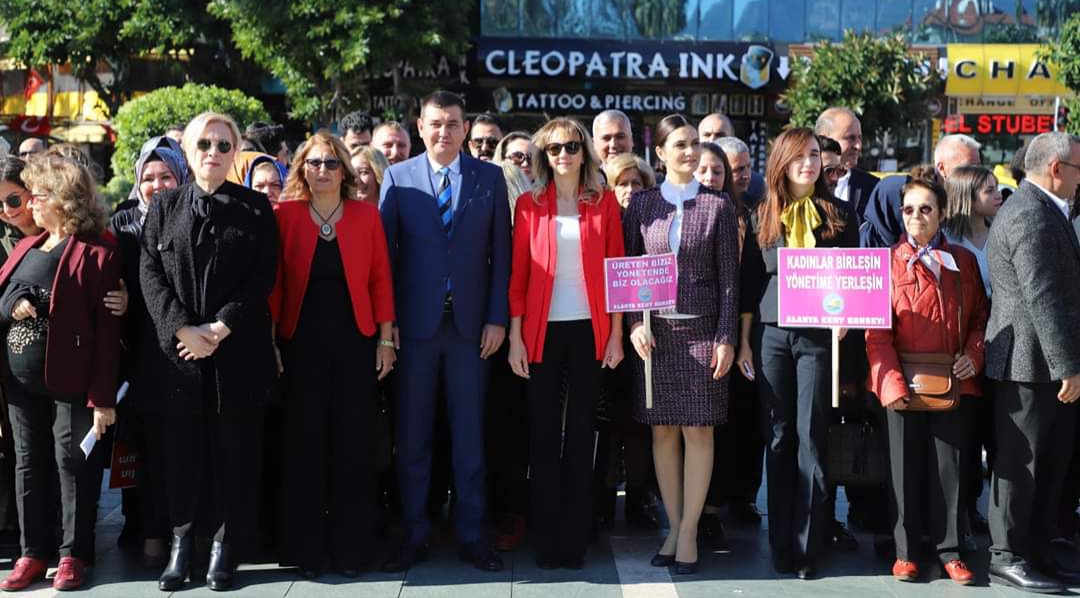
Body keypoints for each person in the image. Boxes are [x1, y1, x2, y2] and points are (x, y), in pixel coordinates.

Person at [140, 112, 278, 592]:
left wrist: (221, 327)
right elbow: (149, 273)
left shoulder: (255, 208)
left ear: (235, 151)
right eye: (204, 144)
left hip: (235, 351)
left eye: (223, 145)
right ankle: (181, 546)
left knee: (233, 454)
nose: (213, 153)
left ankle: (224, 548)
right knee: (181, 455)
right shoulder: (165, 206)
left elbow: (264, 275)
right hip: (180, 357)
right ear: (188, 151)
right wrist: (182, 328)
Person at [379, 90, 510, 573]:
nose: (444, 132)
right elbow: (385, 261)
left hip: (471, 329)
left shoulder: (488, 178)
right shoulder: (398, 177)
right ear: (420, 127)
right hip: (415, 330)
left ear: (465, 128)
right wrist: (388, 330)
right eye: (435, 123)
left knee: (470, 437)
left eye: (453, 123)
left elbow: (502, 254)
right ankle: (414, 534)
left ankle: (472, 536)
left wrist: (497, 317)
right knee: (413, 437)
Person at [272, 131, 395, 578]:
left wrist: (386, 340)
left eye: (330, 163)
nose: (322, 170)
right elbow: (274, 285)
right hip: (299, 347)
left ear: (344, 170)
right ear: (301, 169)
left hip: (356, 346)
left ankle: (352, 551)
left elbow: (381, 279)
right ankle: (308, 551)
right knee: (305, 447)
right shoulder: (284, 215)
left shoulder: (366, 215)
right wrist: (271, 343)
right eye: (314, 162)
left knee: (352, 448)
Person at [623, 114, 739, 575]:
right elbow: (627, 270)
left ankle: (689, 531)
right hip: (655, 338)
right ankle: (673, 527)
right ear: (660, 153)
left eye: (694, 143)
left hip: (703, 333)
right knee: (662, 431)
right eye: (680, 144)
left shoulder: (718, 205)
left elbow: (729, 280)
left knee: (699, 430)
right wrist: (634, 324)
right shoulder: (642, 204)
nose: (690, 152)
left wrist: (726, 337)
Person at [506, 117, 624, 568]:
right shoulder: (529, 205)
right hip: (541, 332)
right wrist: (516, 338)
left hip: (590, 331)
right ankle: (546, 539)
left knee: (580, 435)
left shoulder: (605, 202)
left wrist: (616, 334)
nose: (563, 155)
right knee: (542, 436)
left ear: (584, 152)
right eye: (554, 148)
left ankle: (574, 539)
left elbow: (615, 271)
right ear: (544, 155)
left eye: (572, 146)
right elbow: (518, 277)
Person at [741, 127, 858, 579]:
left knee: (812, 436)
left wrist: (848, 314)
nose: (808, 163)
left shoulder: (840, 215)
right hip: (771, 335)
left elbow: (853, 278)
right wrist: (743, 341)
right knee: (778, 436)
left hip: (818, 338)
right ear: (781, 163)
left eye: (813, 155)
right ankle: (780, 544)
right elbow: (750, 284)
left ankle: (809, 546)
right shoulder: (762, 215)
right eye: (798, 157)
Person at [0, 155, 120, 591]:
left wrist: (102, 398)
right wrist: (13, 303)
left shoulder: (98, 251)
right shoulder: (27, 246)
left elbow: (108, 333)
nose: (31, 203)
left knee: (73, 465)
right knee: (28, 463)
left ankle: (73, 554)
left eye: (38, 195)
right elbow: (2, 293)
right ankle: (32, 552)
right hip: (18, 383)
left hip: (72, 379)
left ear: (64, 199)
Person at [865, 178, 988, 586]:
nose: (916, 216)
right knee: (902, 471)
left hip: (952, 381)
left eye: (925, 208)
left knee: (950, 470)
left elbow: (980, 317)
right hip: (901, 381)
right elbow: (876, 332)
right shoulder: (886, 262)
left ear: (942, 213)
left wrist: (973, 355)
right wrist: (891, 385)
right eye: (908, 209)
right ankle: (905, 553)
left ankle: (951, 551)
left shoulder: (963, 261)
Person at [984, 132, 1080, 594]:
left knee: (1049, 465)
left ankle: (1037, 553)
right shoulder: (1029, 213)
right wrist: (1068, 366)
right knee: (1020, 466)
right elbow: (1042, 296)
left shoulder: (1043, 209)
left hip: (1044, 365)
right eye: (1079, 169)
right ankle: (1007, 556)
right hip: (1028, 365)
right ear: (1057, 169)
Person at [110, 143, 189, 565]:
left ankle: (184, 532)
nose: (157, 186)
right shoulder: (123, 223)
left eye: (166, 177)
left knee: (182, 446)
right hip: (139, 350)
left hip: (186, 345)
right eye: (148, 178)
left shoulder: (195, 215)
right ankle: (148, 529)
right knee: (144, 446)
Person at [694, 142, 765, 535]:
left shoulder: (746, 218)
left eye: (721, 171)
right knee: (707, 426)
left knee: (744, 420)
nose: (712, 178)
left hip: (739, 333)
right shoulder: (678, 214)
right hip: (694, 334)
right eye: (704, 170)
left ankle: (741, 496)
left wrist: (742, 340)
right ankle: (704, 509)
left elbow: (749, 283)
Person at [863, 134, 981, 248]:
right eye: (908, 210)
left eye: (979, 166)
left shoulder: (974, 201)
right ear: (942, 168)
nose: (977, 174)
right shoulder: (865, 251)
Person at [943, 165, 1001, 298]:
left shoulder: (1002, 233)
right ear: (967, 197)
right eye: (990, 191)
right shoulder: (944, 240)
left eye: (996, 189)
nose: (999, 195)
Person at [814, 108, 879, 219]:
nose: (858, 146)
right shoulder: (801, 186)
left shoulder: (873, 187)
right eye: (850, 138)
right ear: (824, 137)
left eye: (859, 138)